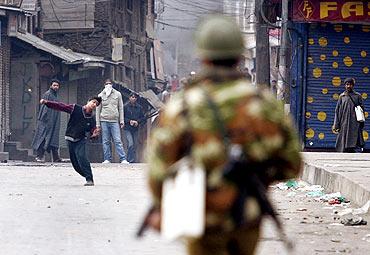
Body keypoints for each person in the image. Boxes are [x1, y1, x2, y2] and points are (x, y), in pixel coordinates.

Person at [145, 15, 302, 255]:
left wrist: (163, 203)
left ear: (203, 56)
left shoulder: (183, 106)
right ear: (240, 56)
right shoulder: (264, 103)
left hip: (198, 217)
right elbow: (292, 164)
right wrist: (259, 175)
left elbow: (158, 171)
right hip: (247, 214)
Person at [39, 96, 102, 186]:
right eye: (93, 102)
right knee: (75, 164)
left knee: (82, 157)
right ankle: (86, 175)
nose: (94, 105)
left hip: (81, 139)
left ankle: (89, 178)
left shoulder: (91, 118)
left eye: (96, 104)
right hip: (70, 138)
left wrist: (95, 133)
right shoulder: (75, 108)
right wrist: (47, 102)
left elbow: (93, 130)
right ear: (88, 101)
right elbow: (61, 106)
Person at [96, 79, 128, 164]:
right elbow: (97, 110)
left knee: (117, 140)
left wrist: (122, 121)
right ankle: (107, 159)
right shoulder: (100, 95)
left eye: (110, 84)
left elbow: (121, 108)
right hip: (104, 121)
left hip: (114, 121)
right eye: (106, 84)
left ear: (112, 85)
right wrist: (97, 124)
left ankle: (123, 158)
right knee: (106, 141)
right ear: (104, 85)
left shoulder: (118, 94)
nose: (108, 85)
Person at [31, 79, 62, 163]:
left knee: (53, 138)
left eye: (57, 85)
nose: (56, 87)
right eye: (54, 85)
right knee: (43, 138)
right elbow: (44, 109)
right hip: (46, 121)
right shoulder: (48, 94)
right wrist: (46, 120)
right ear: (51, 86)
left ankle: (56, 157)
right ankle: (39, 156)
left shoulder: (56, 96)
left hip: (53, 121)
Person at [332, 78, 365, 152]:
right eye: (347, 84)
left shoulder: (357, 96)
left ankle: (353, 151)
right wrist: (336, 124)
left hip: (355, 123)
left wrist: (361, 122)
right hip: (344, 122)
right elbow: (337, 110)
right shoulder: (342, 96)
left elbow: (362, 110)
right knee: (343, 139)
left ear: (353, 85)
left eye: (350, 84)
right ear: (345, 86)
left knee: (355, 138)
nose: (348, 86)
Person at [124, 93, 145, 163]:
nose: (133, 98)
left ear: (136, 99)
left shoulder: (140, 107)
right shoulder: (125, 107)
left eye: (135, 97)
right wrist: (129, 121)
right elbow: (122, 118)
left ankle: (133, 160)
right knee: (130, 144)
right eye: (132, 97)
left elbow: (143, 118)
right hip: (127, 128)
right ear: (129, 98)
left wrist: (137, 122)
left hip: (136, 129)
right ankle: (129, 159)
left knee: (135, 144)